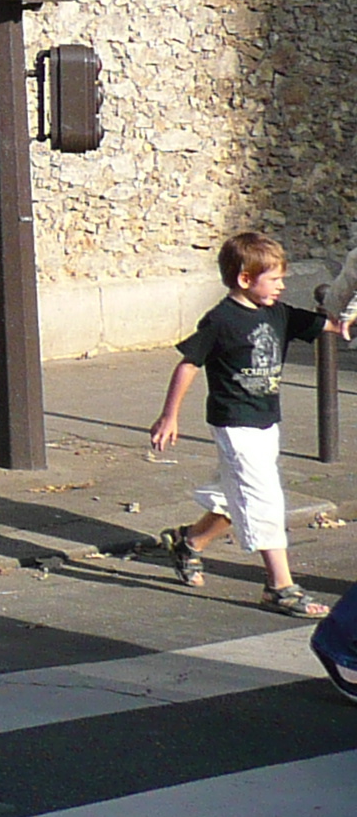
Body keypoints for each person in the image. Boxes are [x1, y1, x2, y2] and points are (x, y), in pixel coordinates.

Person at [145, 233, 344, 618]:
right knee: (263, 499)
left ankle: (190, 542)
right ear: (244, 279)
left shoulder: (277, 313)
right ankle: (280, 587)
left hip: (266, 422)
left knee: (236, 494)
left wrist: (344, 321)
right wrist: (170, 415)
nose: (282, 286)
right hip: (235, 424)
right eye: (275, 279)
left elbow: (323, 325)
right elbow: (188, 363)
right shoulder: (221, 321)